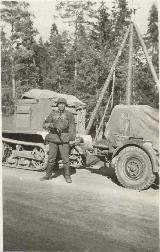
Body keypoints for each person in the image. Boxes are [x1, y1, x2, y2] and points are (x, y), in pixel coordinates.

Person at [40, 98, 76, 183]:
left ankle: (67, 177)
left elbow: (72, 128)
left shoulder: (69, 115)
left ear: (65, 105)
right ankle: (48, 175)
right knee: (51, 158)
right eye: (60, 104)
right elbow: (44, 124)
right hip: (53, 138)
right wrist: (52, 125)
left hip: (64, 139)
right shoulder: (52, 114)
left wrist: (71, 139)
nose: (61, 105)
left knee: (65, 159)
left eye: (63, 104)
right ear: (57, 105)